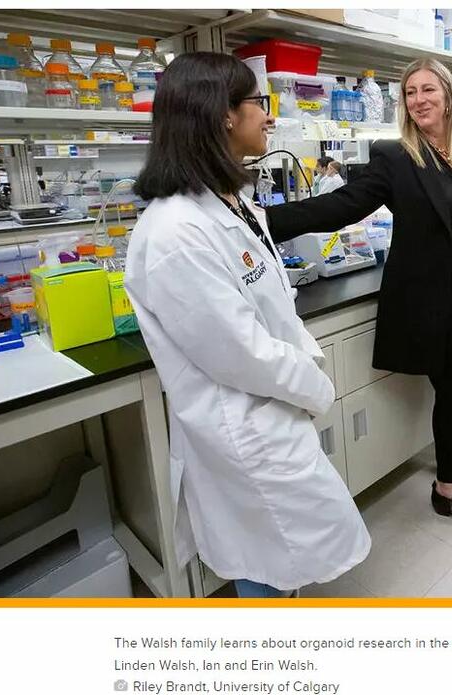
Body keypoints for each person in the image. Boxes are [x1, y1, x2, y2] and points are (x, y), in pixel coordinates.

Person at [124, 53, 370, 597]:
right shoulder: (174, 233)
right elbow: (241, 351)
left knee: (280, 563)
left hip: (271, 407)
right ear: (222, 116)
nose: (268, 114)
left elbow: (271, 307)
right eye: (258, 101)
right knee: (265, 566)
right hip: (244, 426)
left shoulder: (231, 202)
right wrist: (316, 387)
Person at [265, 58, 452, 530]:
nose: (419, 100)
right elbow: (343, 205)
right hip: (438, 299)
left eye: (428, 90)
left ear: (448, 96)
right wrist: (262, 219)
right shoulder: (397, 158)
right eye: (410, 93)